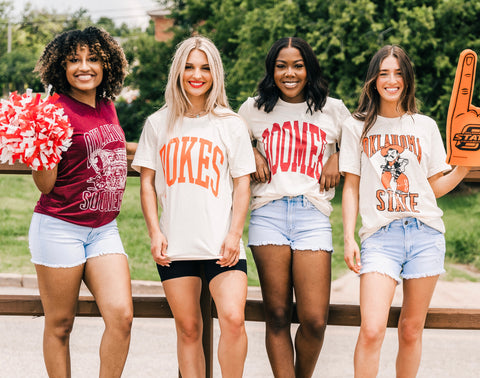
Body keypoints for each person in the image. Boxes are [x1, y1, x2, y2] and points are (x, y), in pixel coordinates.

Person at [340, 45, 471, 378]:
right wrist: (348, 237)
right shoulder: (357, 127)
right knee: (372, 329)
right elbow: (352, 187)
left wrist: (465, 168)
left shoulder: (424, 126)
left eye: (398, 72)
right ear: (373, 79)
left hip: (425, 233)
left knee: (411, 330)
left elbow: (434, 188)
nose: (391, 79)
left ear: (407, 79)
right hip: (379, 237)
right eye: (384, 72)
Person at [132, 35, 255, 378]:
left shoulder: (230, 123)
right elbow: (145, 181)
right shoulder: (159, 123)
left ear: (215, 73)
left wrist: (234, 233)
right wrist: (155, 232)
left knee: (233, 319)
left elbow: (242, 182)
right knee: (188, 329)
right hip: (175, 245)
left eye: (204, 67)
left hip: (222, 244)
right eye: (188, 67)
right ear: (178, 72)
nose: (196, 75)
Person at [238, 37, 350, 378]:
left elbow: (364, 144)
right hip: (268, 213)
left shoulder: (333, 109)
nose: (290, 73)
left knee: (315, 319)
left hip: (312, 213)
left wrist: (340, 156)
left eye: (298, 66)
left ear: (309, 69)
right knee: (277, 314)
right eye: (281, 66)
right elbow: (226, 139)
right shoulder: (252, 109)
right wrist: (250, 151)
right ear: (272, 71)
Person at [30, 26, 133, 378]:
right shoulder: (53, 111)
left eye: (92, 59)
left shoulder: (107, 106)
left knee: (121, 316)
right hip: (60, 226)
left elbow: (107, 147)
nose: (84, 67)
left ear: (106, 64)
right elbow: (45, 185)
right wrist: (41, 147)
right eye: (74, 60)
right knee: (60, 324)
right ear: (61, 67)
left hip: (103, 229)